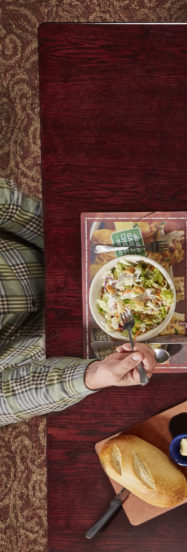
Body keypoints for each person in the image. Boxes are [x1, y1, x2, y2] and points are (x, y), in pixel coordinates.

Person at [0, 178, 157, 426]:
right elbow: (4, 400)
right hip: (58, 353)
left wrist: (74, 241)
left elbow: (8, 205)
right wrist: (93, 374)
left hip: (54, 252)